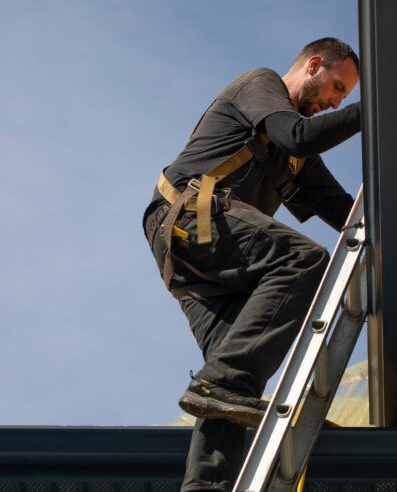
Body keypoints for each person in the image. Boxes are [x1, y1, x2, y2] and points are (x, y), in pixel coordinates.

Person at [141, 38, 362, 491]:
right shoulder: (260, 85)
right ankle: (222, 383)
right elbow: (299, 135)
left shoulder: (296, 158)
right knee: (305, 261)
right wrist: (376, 111)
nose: (336, 102)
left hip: (194, 263)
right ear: (314, 65)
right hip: (189, 218)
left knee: (227, 388)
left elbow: (340, 209)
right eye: (337, 87)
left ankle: (206, 487)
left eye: (346, 98)